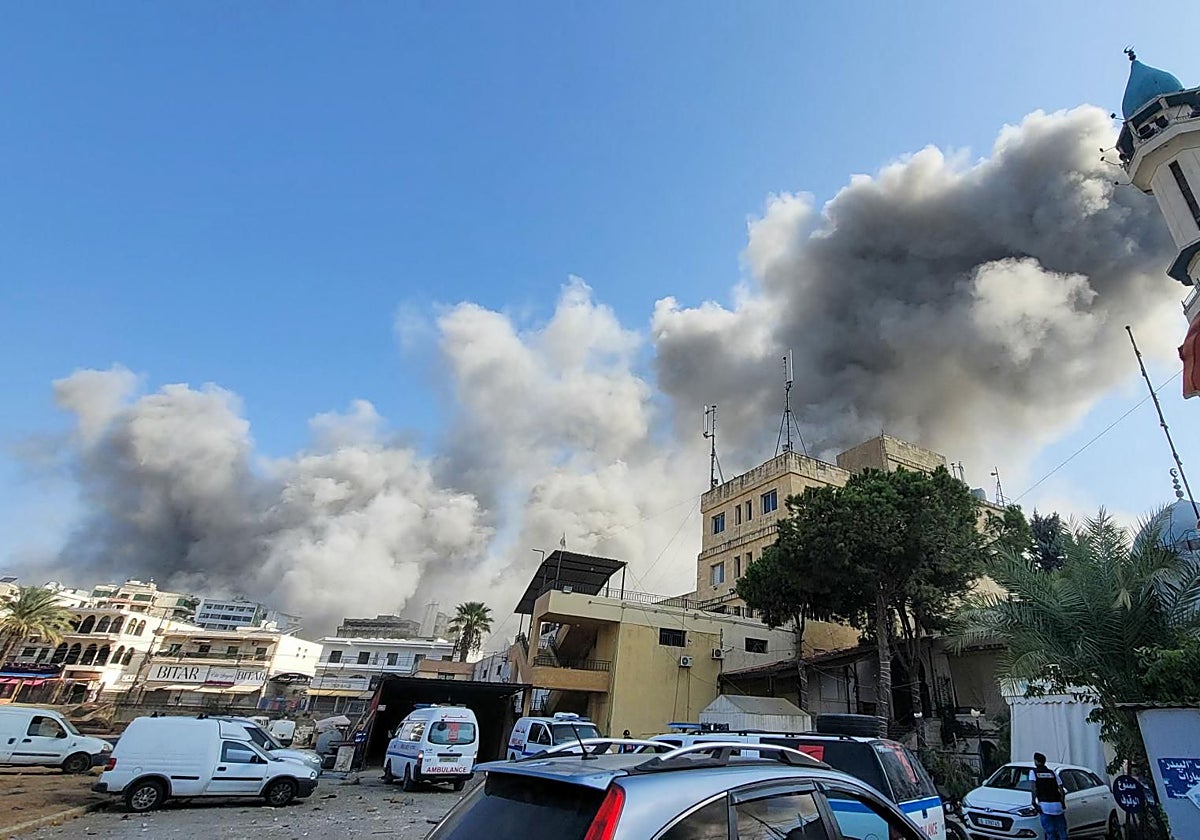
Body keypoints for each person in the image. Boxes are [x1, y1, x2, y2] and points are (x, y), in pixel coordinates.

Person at [1030, 752, 1067, 840]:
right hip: (1057, 805)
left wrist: (1033, 802)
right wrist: (1062, 802)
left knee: (1050, 832)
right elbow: (1061, 789)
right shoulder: (1052, 773)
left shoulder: (1033, 772)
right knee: (1062, 830)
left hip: (1045, 806)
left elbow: (1034, 788)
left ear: (1036, 761)